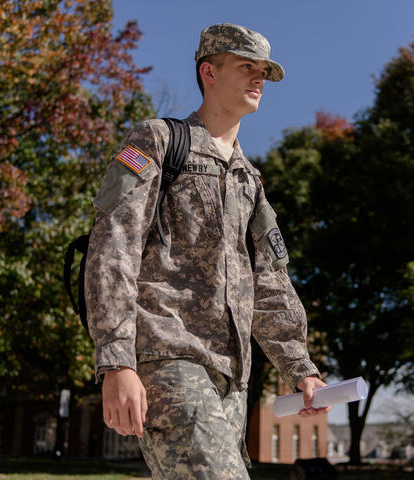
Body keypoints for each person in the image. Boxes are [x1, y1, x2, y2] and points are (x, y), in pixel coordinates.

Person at [85, 23, 330, 479]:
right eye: (245, 67)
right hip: (169, 356)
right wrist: (116, 361)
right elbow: (112, 246)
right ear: (209, 72)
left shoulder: (249, 180)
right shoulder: (157, 141)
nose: (258, 79)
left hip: (232, 380)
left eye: (264, 72)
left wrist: (302, 370)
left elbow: (270, 282)